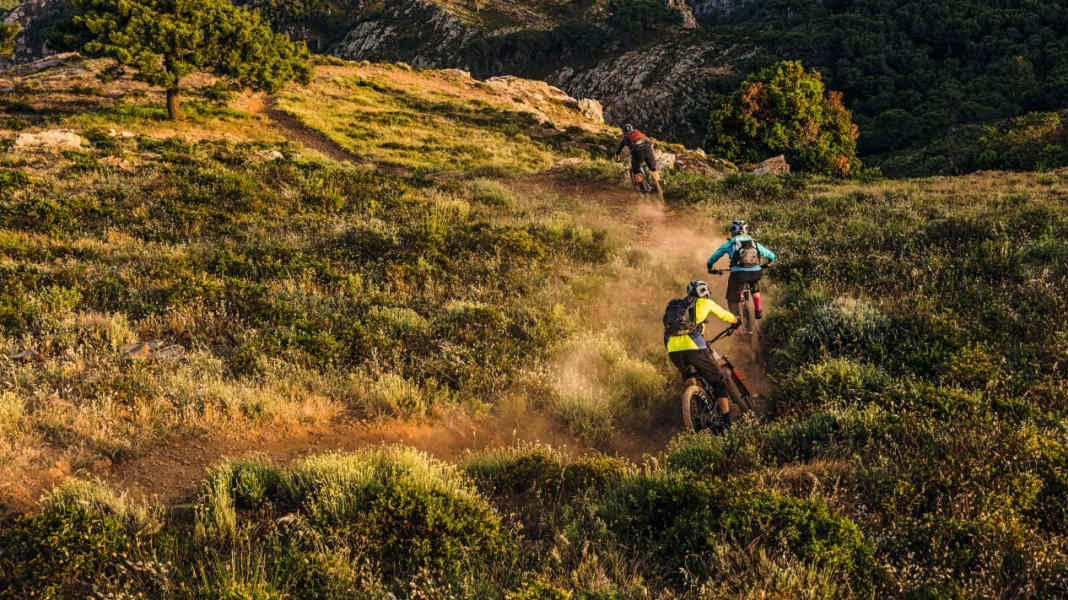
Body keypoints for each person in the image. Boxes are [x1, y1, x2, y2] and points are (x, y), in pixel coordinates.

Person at [664, 280, 740, 427]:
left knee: (689, 375)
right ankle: (727, 424)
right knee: (719, 381)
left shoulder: (678, 305)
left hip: (673, 349)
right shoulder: (707, 303)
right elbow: (725, 316)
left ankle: (695, 405)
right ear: (706, 292)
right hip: (694, 347)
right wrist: (736, 320)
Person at [706, 219, 776, 320]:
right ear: (746, 230)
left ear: (733, 231)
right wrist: (767, 263)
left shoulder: (730, 244)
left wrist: (710, 268)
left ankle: (736, 323)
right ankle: (758, 309)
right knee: (754, 284)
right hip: (756, 272)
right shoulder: (754, 243)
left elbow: (712, 259)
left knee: (731, 299)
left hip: (738, 274)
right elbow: (772, 256)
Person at [615, 123, 662, 199]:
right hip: (648, 150)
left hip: (637, 152)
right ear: (632, 129)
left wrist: (617, 157)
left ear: (624, 132)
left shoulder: (626, 137)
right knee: (653, 169)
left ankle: (643, 189)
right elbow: (649, 142)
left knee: (636, 171)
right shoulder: (639, 133)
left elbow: (619, 150)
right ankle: (660, 185)